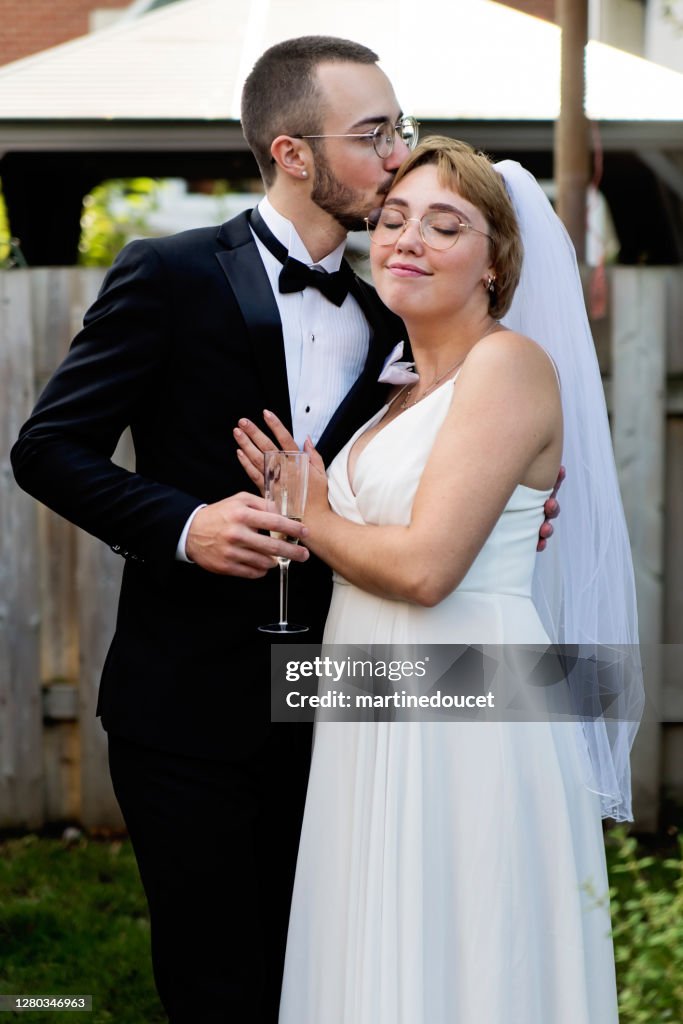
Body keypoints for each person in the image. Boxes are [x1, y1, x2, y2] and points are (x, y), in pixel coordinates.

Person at [10, 38, 558, 1022]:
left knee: (341, 969)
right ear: (293, 154)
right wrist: (184, 524)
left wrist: (513, 501)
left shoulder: (392, 311)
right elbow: (47, 449)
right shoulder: (166, 275)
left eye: (395, 129)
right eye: (372, 136)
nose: (397, 154)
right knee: (217, 981)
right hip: (188, 704)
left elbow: (447, 466)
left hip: (351, 702)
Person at [236, 138, 643, 1023]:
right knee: (372, 947)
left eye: (444, 224)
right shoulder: (396, 390)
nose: (405, 239)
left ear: (495, 262)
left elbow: (425, 571)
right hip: (369, 696)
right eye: (390, 219)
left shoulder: (508, 366)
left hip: (469, 709)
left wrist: (311, 510)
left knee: (464, 956)